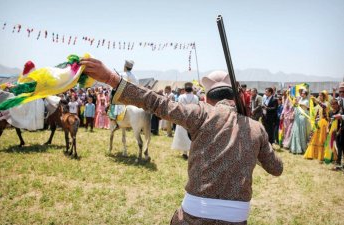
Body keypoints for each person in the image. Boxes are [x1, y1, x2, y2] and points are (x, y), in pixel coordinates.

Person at [80, 58, 283, 224]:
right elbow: (276, 168)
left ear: (206, 99)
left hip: (194, 216)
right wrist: (253, 145)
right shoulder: (256, 128)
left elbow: (158, 103)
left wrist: (111, 78)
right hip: (237, 219)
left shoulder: (201, 114)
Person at [171, 82, 199, 159]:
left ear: (185, 90)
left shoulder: (181, 97)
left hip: (183, 117)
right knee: (192, 134)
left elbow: (179, 106)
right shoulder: (196, 97)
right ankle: (191, 151)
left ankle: (184, 152)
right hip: (193, 117)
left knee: (183, 134)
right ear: (192, 89)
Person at [304, 90, 330, 161]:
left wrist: (316, 100)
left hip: (323, 124)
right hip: (317, 123)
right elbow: (313, 110)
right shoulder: (318, 105)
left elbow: (324, 106)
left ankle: (322, 155)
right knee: (313, 139)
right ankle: (313, 154)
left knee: (321, 140)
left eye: (321, 95)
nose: (319, 97)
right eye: (319, 95)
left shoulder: (327, 103)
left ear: (324, 96)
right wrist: (304, 107)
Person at [289, 89, 310, 154]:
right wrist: (295, 102)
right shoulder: (300, 99)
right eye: (302, 93)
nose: (302, 94)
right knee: (295, 131)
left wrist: (298, 103)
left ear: (306, 94)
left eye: (304, 93)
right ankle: (294, 148)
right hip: (297, 117)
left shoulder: (306, 101)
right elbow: (295, 106)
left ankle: (301, 148)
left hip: (302, 117)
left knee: (301, 132)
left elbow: (305, 107)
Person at [332, 82, 344, 169]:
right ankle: (339, 162)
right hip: (340, 126)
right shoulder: (339, 100)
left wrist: (342, 116)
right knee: (339, 144)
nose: (341, 93)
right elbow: (333, 102)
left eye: (343, 91)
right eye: (340, 91)